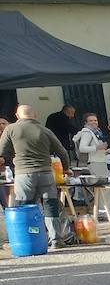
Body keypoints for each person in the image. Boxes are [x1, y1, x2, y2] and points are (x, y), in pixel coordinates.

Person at [1, 105, 72, 248]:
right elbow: (62, 151)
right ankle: (56, 239)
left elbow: (1, 150)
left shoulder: (11, 129)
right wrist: (66, 169)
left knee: (25, 207)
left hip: (24, 174)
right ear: (35, 115)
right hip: (46, 173)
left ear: (17, 116)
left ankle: (30, 239)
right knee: (50, 205)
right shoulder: (45, 130)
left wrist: (13, 157)